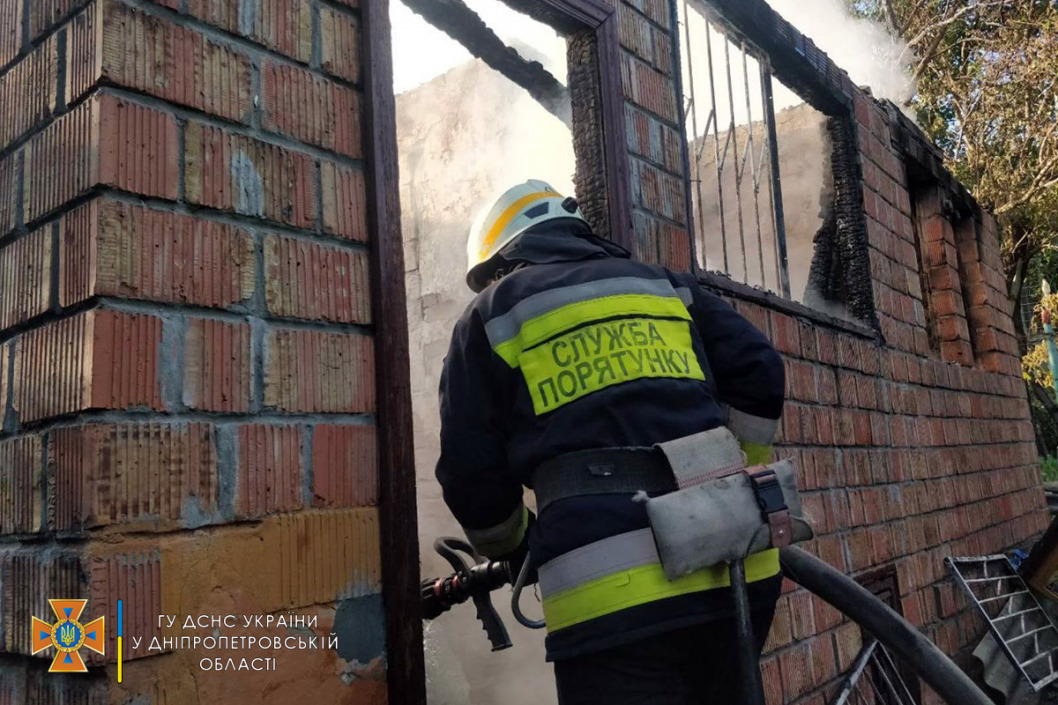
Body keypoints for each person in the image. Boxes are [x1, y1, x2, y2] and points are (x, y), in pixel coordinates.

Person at [435, 179, 786, 704]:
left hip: (611, 597)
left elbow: (471, 474)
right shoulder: (666, 285)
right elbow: (761, 372)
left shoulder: (490, 314)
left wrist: (514, 548)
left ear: (500, 263)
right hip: (737, 566)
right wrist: (719, 472)